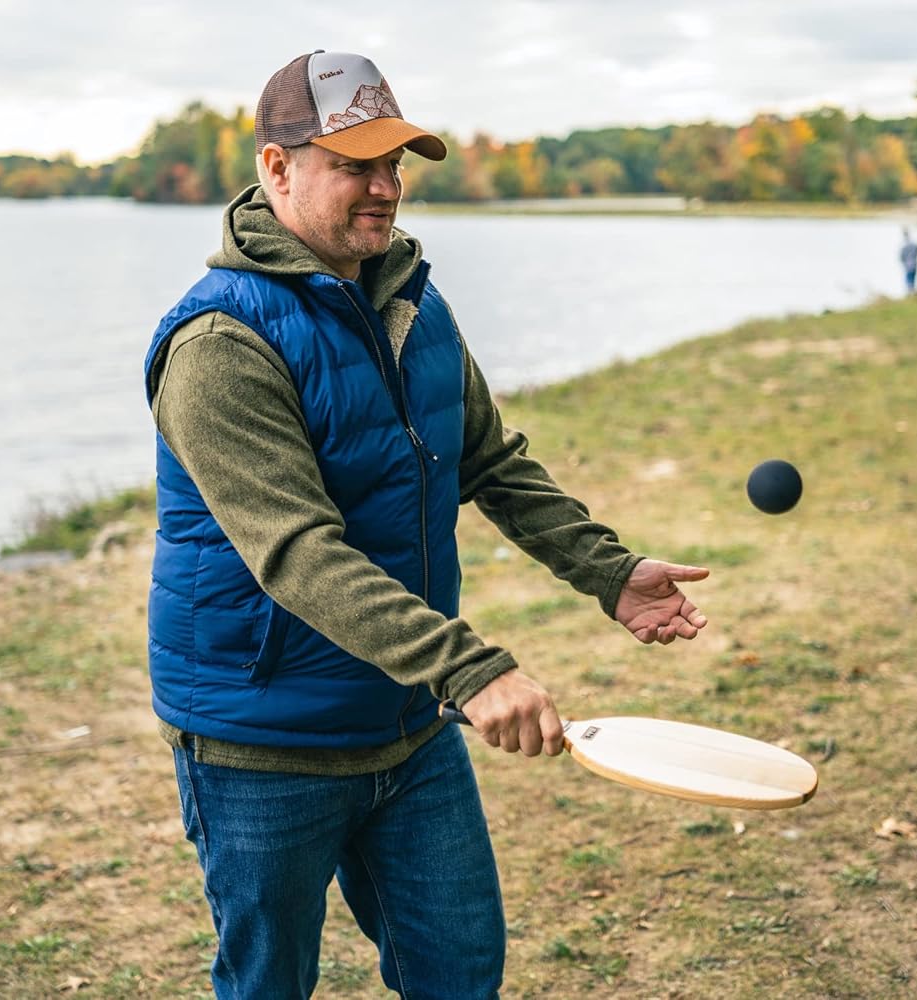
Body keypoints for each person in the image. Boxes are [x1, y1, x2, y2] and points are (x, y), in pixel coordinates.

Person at [143, 50, 709, 1000]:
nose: (385, 187)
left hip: (409, 724)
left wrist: (606, 571)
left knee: (459, 973)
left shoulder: (413, 300)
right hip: (264, 743)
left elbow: (487, 458)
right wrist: (471, 669)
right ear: (277, 168)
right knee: (268, 983)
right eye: (354, 165)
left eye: (393, 163)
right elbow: (298, 554)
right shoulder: (218, 344)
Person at [900, 227, 917, 294]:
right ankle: (913, 292)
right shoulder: (914, 243)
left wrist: (904, 262)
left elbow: (901, 257)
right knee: (913, 280)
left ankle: (910, 293)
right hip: (914, 264)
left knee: (909, 281)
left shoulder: (903, 246)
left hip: (908, 265)